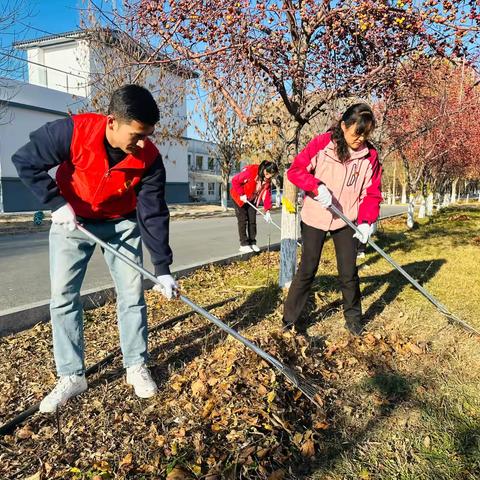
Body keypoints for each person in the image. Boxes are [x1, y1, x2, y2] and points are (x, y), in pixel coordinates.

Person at [12, 85, 178, 412]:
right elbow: (25, 160)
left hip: (122, 223)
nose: (143, 143)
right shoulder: (72, 132)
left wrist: (162, 268)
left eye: (148, 135)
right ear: (112, 122)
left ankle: (135, 365)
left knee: (132, 294)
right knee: (63, 297)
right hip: (72, 222)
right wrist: (55, 202)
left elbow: (153, 212)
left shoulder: (150, 158)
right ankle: (72, 375)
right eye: (137, 134)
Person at [283, 103, 382, 335]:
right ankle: (289, 320)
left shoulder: (370, 156)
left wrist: (367, 221)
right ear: (343, 125)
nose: (361, 139)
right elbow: (295, 171)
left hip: (346, 219)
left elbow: (372, 193)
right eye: (357, 132)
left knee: (348, 271)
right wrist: (315, 187)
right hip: (315, 216)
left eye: (366, 134)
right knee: (308, 268)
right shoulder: (322, 144)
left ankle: (354, 321)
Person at [230, 160, 278, 253]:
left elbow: (266, 195)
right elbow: (235, 180)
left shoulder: (267, 180)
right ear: (264, 170)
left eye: (271, 175)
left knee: (252, 220)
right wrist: (241, 194)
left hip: (251, 199)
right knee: (243, 220)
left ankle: (252, 242)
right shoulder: (251, 172)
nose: (269, 177)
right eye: (268, 174)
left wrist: (267, 211)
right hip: (239, 197)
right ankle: (243, 244)